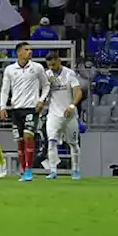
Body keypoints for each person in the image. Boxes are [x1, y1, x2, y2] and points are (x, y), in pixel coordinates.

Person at [0, 41, 50, 182]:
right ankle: (24, 170)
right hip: (16, 109)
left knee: (28, 136)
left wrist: (41, 100)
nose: (30, 52)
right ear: (19, 52)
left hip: (31, 108)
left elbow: (46, 85)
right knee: (20, 141)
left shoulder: (37, 68)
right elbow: (5, 89)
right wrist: (2, 106)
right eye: (26, 49)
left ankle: (28, 170)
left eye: (30, 49)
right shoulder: (10, 69)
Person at [44, 52, 83, 180]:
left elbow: (78, 92)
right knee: (51, 142)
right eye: (49, 65)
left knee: (73, 144)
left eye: (53, 64)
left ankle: (76, 169)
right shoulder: (47, 75)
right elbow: (44, 93)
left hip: (69, 115)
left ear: (59, 61)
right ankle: (53, 171)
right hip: (54, 114)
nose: (51, 67)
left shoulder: (69, 73)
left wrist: (72, 106)